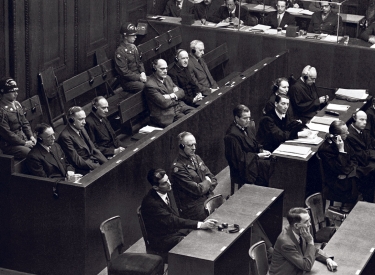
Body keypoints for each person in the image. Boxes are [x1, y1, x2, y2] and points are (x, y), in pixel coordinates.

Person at [141, 168, 218, 253]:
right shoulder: (152, 203)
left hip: (173, 230)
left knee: (201, 233)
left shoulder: (164, 190)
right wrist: (200, 224)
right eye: (164, 183)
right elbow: (173, 220)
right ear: (155, 187)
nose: (169, 184)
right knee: (192, 245)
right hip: (162, 240)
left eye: (168, 180)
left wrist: (200, 225)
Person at [269, 207, 337, 275]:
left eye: (309, 220)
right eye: (306, 222)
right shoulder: (286, 243)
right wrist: (310, 241)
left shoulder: (299, 231)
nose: (309, 224)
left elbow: (311, 250)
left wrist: (327, 259)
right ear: (296, 225)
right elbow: (306, 266)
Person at [171, 132, 218, 220]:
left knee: (226, 211)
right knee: (216, 219)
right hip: (193, 207)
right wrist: (207, 182)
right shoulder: (177, 168)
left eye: (195, 144)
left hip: (208, 197)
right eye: (190, 145)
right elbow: (197, 190)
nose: (194, 148)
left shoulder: (196, 158)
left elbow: (214, 179)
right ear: (181, 146)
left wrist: (204, 187)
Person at [318, 120, 368, 204]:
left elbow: (354, 158)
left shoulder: (343, 140)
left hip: (346, 175)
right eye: (345, 132)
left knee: (369, 173)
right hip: (337, 183)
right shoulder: (326, 150)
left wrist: (348, 172)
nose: (348, 133)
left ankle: (365, 203)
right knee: (367, 178)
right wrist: (341, 150)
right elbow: (341, 169)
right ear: (337, 136)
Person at [224, 104, 273, 187]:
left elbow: (254, 143)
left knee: (274, 161)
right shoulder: (231, 136)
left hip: (252, 160)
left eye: (249, 118)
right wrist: (257, 156)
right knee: (269, 168)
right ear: (236, 118)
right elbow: (238, 159)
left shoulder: (246, 126)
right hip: (243, 169)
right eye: (245, 118)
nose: (248, 120)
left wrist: (261, 150)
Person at [144, 59, 195, 127]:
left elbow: (182, 92)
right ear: (154, 68)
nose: (165, 71)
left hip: (178, 107)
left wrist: (171, 95)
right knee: (186, 122)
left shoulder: (167, 78)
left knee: (196, 112)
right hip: (166, 115)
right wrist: (176, 96)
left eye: (166, 68)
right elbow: (164, 103)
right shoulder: (150, 85)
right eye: (162, 69)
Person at [58, 106, 107, 175]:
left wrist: (106, 163)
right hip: (83, 169)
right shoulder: (65, 136)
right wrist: (97, 167)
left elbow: (93, 149)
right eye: (81, 119)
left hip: (93, 162)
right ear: (71, 120)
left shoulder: (82, 128)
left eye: (84, 118)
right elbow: (77, 161)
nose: (84, 122)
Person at [0, 77, 36, 159]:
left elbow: (25, 122)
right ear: (4, 92)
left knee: (42, 148)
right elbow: (7, 134)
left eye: (16, 91)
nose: (16, 94)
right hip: (10, 145)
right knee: (32, 155)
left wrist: (31, 136)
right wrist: (24, 143)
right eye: (13, 91)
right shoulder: (1, 111)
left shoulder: (16, 104)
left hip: (23, 139)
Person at [345, 110, 375, 202]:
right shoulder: (350, 135)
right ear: (354, 119)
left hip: (366, 159)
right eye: (361, 120)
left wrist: (369, 153)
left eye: (365, 120)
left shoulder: (363, 131)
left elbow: (370, 145)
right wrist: (370, 153)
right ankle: (368, 200)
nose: (364, 122)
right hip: (357, 164)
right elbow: (360, 155)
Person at [115, 22, 146, 97]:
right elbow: (124, 72)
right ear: (125, 36)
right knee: (147, 87)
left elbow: (139, 62)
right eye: (133, 35)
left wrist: (142, 72)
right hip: (127, 82)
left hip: (138, 78)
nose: (135, 37)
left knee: (155, 82)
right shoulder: (120, 51)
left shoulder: (133, 47)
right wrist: (139, 77)